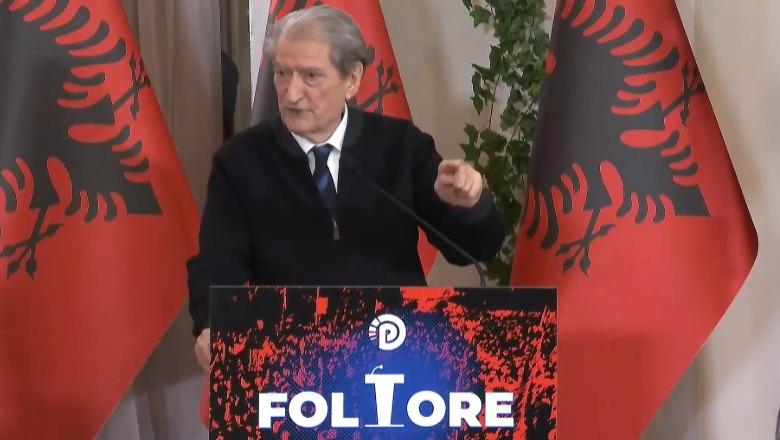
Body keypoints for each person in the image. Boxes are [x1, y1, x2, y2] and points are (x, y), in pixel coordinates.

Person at [188, 5, 503, 372]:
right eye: (282, 73)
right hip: (291, 360)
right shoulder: (241, 160)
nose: (291, 94)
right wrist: (212, 323)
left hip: (396, 353)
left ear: (352, 79)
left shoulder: (400, 146)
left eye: (310, 76)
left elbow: (474, 250)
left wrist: (470, 206)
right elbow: (218, 263)